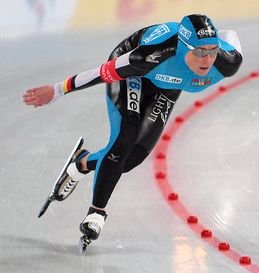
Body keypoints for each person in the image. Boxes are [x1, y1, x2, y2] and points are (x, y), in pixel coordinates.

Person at [22, 14, 243, 244]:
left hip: (167, 86)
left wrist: (211, 40)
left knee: (130, 159)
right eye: (199, 52)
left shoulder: (227, 62)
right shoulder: (147, 57)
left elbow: (230, 36)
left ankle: (82, 163)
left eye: (212, 50)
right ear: (181, 46)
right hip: (134, 74)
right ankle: (96, 213)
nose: (207, 59)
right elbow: (101, 73)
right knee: (127, 135)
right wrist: (57, 90)